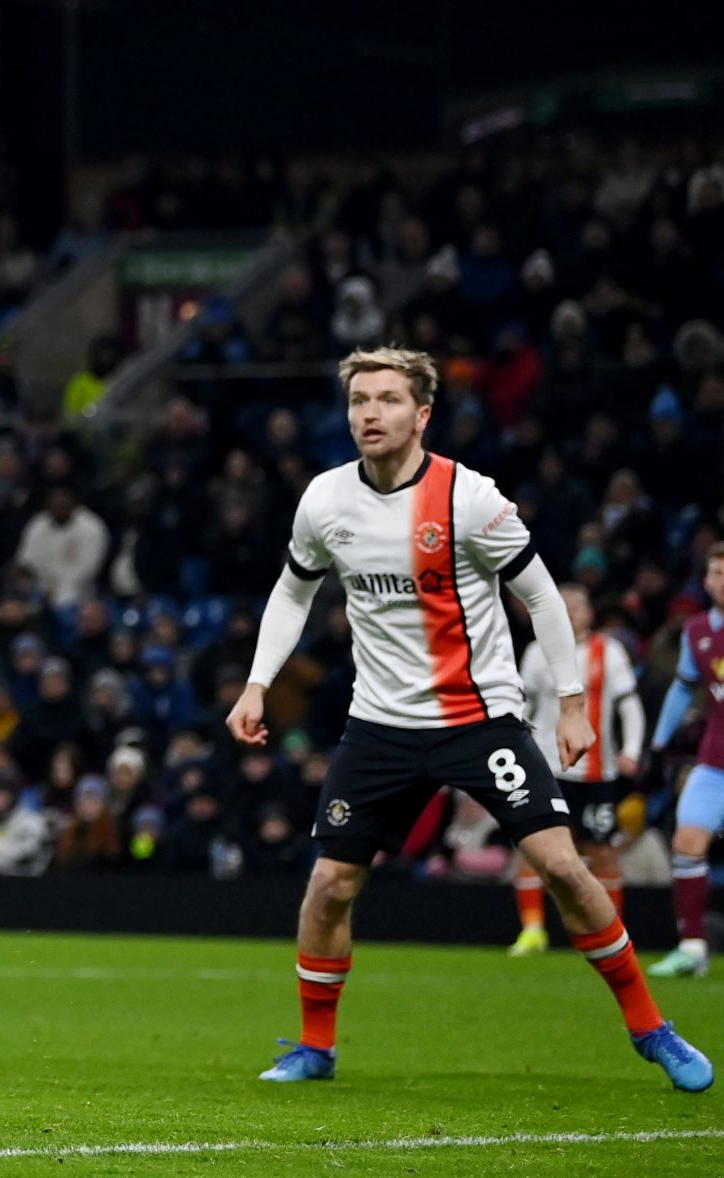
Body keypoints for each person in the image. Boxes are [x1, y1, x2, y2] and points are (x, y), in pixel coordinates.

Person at [230, 346, 710, 1090]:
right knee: (328, 886)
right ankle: (315, 1048)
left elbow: (545, 598)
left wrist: (573, 703)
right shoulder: (325, 500)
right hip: (380, 726)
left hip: (478, 719)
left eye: (387, 399)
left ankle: (653, 1030)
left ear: (422, 414)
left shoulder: (470, 498)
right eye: (359, 400)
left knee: (564, 868)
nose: (370, 413)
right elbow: (294, 593)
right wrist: (258, 682)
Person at [512, 586, 641, 957]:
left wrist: (631, 749)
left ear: (589, 613)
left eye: (576, 607)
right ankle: (533, 930)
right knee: (534, 845)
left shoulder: (610, 651)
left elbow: (629, 705)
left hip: (596, 770)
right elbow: (523, 706)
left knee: (600, 850)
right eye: (562, 606)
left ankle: (612, 932)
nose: (569, 613)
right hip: (547, 768)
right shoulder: (538, 652)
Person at [647, 548, 724, 979]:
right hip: (714, 763)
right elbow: (683, 687)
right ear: (707, 580)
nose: (722, 579)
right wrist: (659, 743)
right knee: (687, 844)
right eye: (716, 572)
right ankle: (692, 948)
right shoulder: (696, 630)